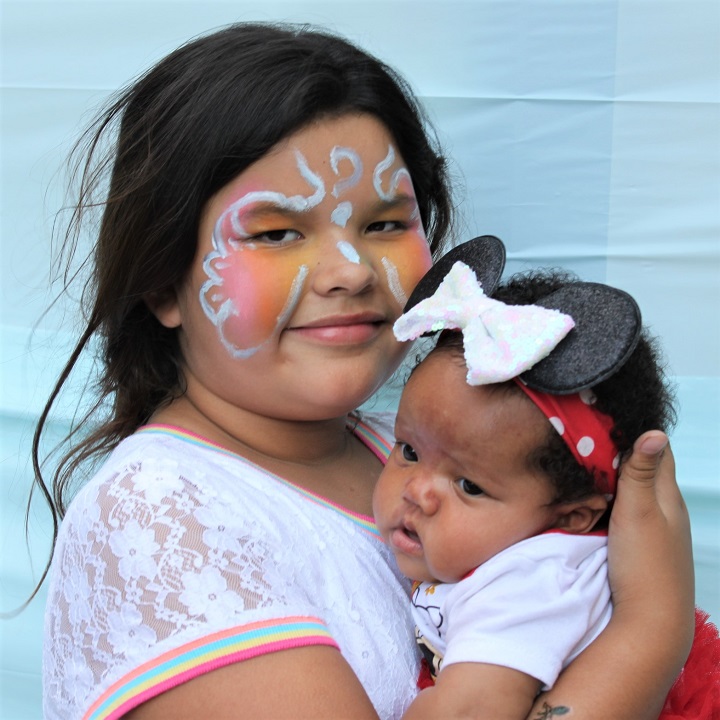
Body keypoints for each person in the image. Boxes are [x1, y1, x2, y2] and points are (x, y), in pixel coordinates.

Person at [31, 22, 693, 720]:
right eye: (277, 233)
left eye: (383, 225)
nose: (349, 272)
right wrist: (651, 632)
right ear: (165, 282)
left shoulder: (415, 451)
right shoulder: (159, 514)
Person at [373, 249, 681, 718]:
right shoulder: (498, 552)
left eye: (469, 486)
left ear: (573, 518)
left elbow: (467, 711)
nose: (417, 491)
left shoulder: (529, 583)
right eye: (409, 451)